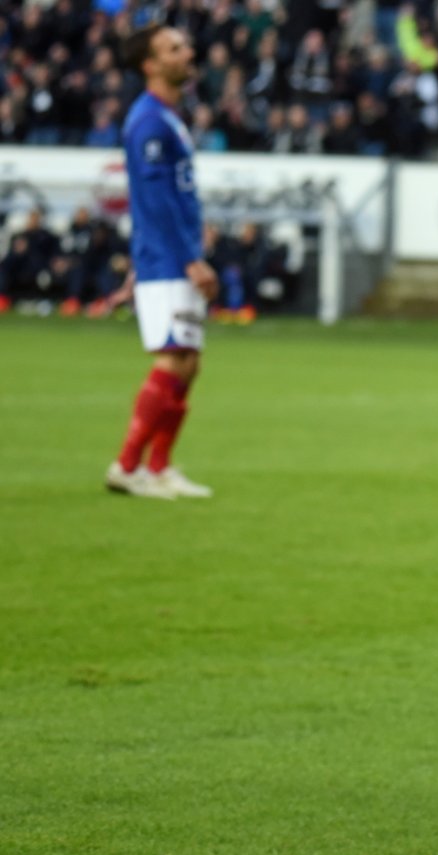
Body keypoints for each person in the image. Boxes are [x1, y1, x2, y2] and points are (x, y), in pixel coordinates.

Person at [107, 23, 217, 500]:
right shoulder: (149, 121)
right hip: (169, 260)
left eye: (185, 44)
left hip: (171, 255)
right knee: (173, 358)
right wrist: (190, 258)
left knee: (188, 362)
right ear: (150, 65)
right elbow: (154, 200)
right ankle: (127, 465)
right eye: (174, 48)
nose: (187, 52)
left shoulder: (168, 116)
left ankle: (159, 467)